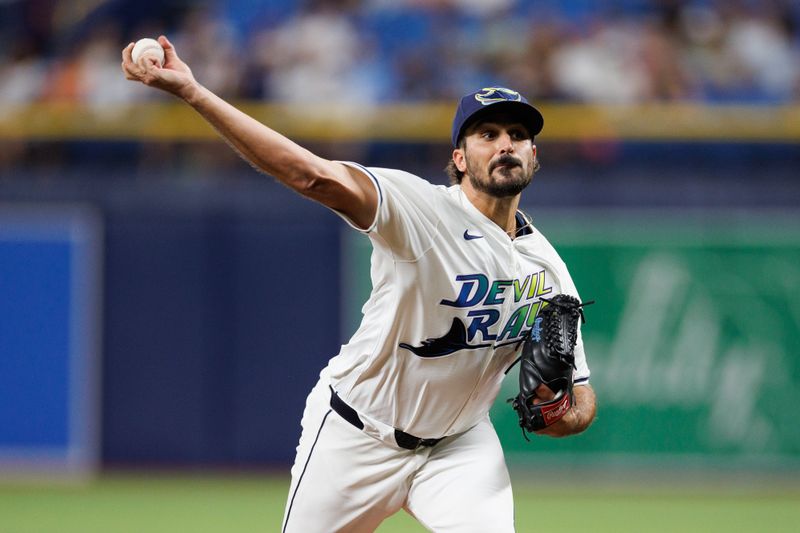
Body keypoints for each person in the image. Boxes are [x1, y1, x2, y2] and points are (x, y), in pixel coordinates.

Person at [122, 35, 597, 533]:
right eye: (488, 134)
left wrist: (561, 410)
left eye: (517, 134)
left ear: (533, 153)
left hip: (459, 446)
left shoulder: (547, 269)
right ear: (459, 159)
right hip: (356, 435)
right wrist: (195, 93)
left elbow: (582, 398)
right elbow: (312, 177)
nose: (505, 144)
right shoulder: (421, 211)